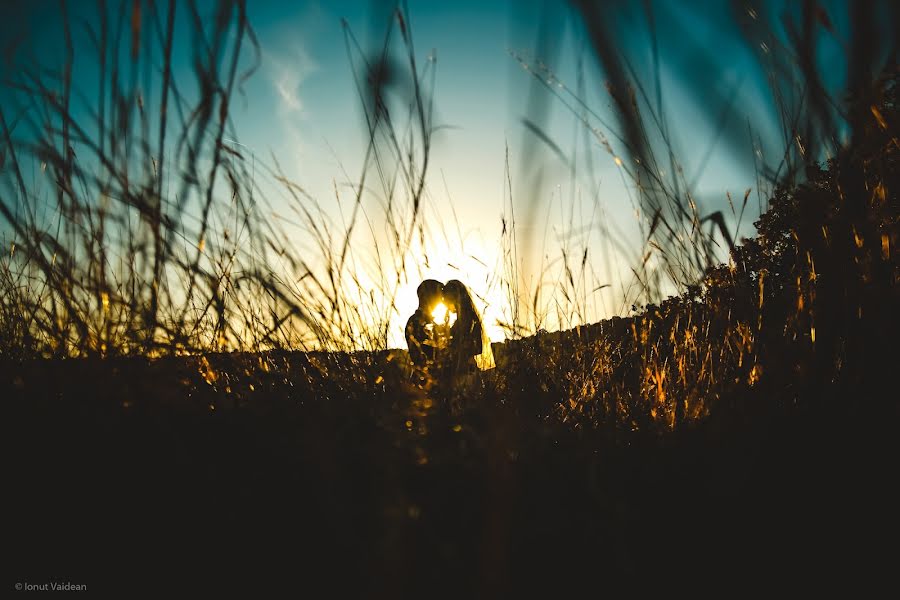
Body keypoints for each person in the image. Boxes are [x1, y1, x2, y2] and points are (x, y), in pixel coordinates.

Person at [442, 279, 495, 375]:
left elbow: (477, 347)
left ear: (454, 298)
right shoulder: (466, 317)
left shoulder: (468, 318)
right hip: (461, 368)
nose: (445, 304)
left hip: (464, 371)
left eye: (446, 299)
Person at [405, 279, 444, 371]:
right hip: (427, 380)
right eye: (438, 295)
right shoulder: (417, 322)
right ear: (426, 296)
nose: (441, 300)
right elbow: (424, 357)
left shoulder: (429, 322)